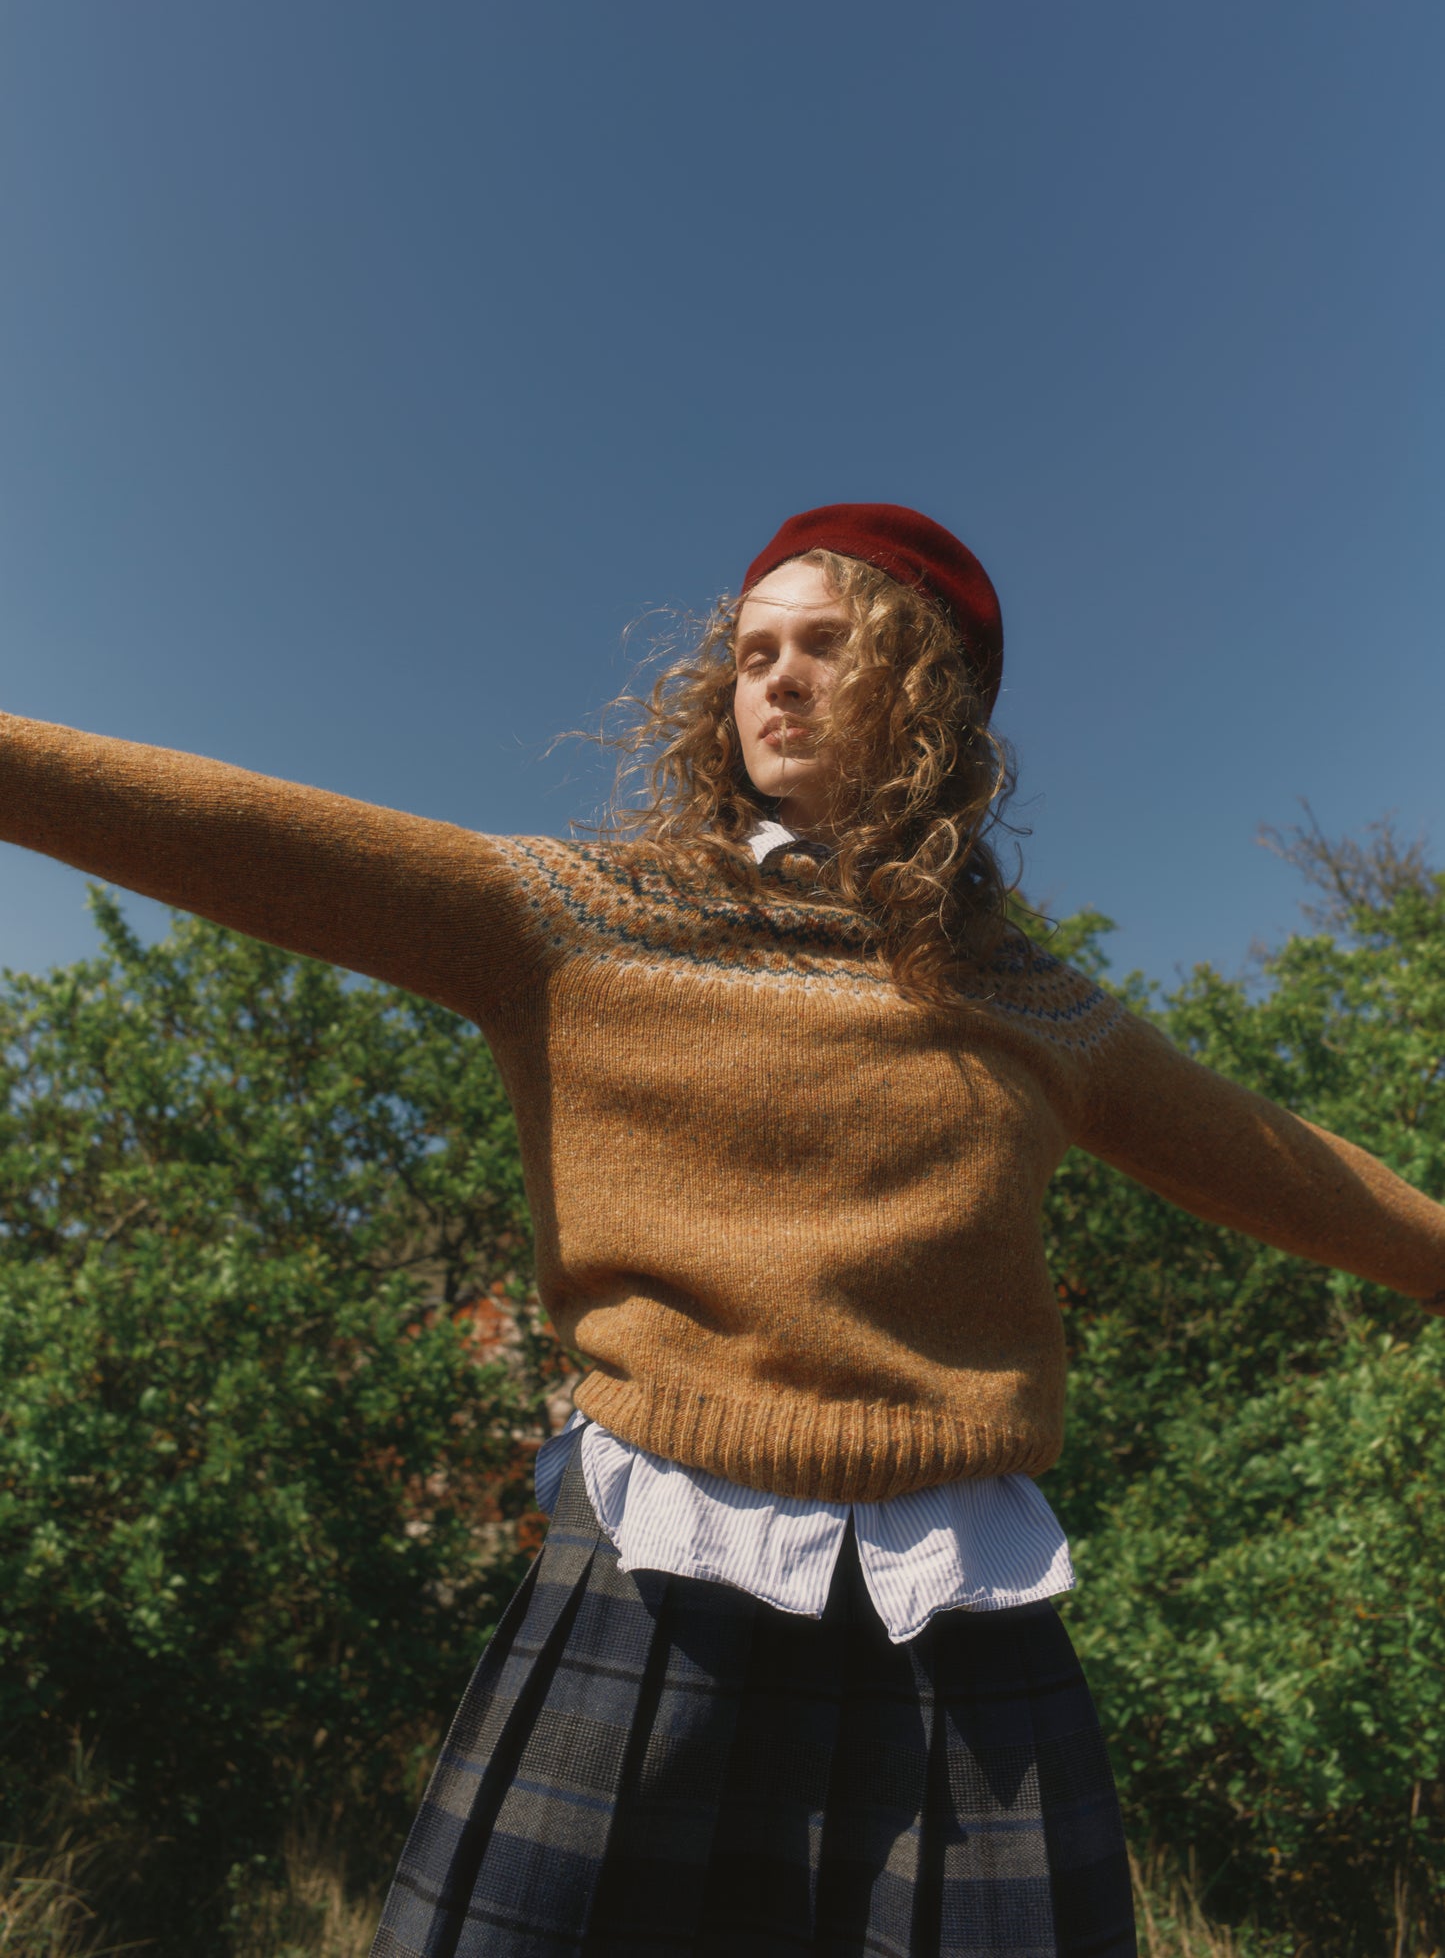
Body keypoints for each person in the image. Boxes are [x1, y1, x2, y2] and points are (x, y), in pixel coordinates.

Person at [2, 502, 1442, 1958]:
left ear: (928, 692)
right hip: (648, 1584)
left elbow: (1285, 1168)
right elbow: (239, 832)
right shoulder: (582, 915)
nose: (775, 677)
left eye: (825, 644)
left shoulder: (1032, 1003)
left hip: (954, 1616)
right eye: (752, 650)